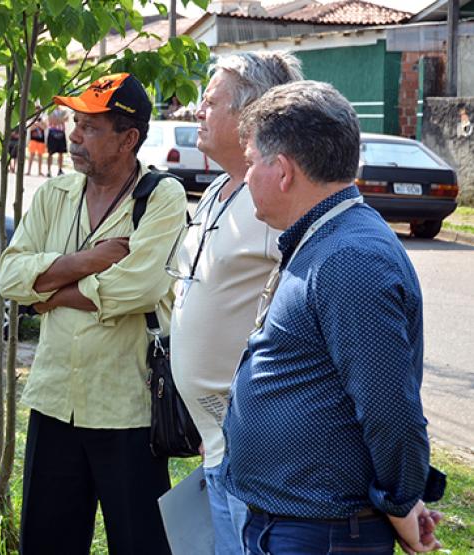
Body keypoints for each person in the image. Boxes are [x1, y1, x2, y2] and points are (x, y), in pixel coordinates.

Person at [224, 80, 442, 554]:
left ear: (282, 171)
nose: (245, 180)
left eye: (249, 164)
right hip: (302, 525)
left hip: (322, 533)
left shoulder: (348, 258)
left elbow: (391, 412)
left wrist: (402, 504)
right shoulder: (328, 240)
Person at [0, 73, 188, 554]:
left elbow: (141, 286)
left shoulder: (161, 196)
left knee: (140, 543)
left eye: (90, 126)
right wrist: (87, 261)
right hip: (55, 397)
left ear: (128, 139)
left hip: (127, 407)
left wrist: (51, 293)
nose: (73, 135)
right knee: (47, 542)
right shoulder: (54, 194)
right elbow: (10, 277)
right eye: (73, 122)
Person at [168, 51, 302, 554]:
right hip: (218, 440)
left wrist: (240, 423)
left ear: (251, 114)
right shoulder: (219, 188)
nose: (197, 112)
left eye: (209, 102)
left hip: (253, 448)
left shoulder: (275, 197)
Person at [46, 105, 68, 176]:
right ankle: (49, 170)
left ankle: (60, 170)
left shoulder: (63, 110)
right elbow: (52, 121)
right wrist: (61, 119)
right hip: (52, 133)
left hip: (61, 132)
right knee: (50, 152)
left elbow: (67, 118)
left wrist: (58, 119)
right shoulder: (51, 110)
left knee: (61, 153)